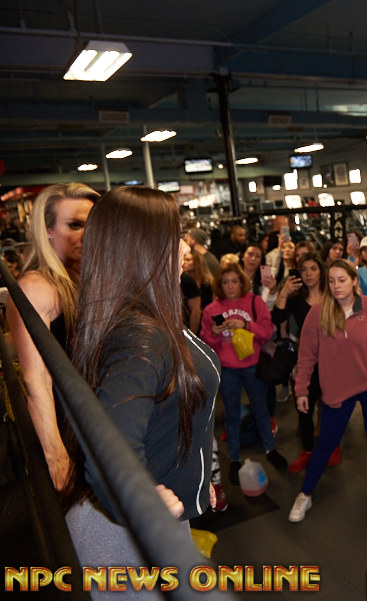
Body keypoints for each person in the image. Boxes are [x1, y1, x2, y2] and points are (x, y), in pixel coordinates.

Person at [64, 186, 220, 581]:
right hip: (128, 543)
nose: (185, 246)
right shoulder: (142, 335)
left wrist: (195, 476)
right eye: (175, 235)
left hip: (155, 523)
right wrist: (142, 503)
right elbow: (108, 452)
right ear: (144, 249)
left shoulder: (150, 317)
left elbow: (167, 408)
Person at [288, 259, 367, 522]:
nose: (336, 286)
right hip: (337, 389)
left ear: (355, 281)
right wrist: (301, 389)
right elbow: (306, 354)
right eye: (332, 281)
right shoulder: (318, 313)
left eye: (342, 280)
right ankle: (305, 494)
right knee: (326, 443)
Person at [7, 182, 98, 492]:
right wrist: (57, 458)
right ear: (47, 232)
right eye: (74, 225)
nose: (87, 234)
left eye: (91, 224)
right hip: (74, 432)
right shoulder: (37, 287)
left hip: (104, 422)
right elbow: (37, 381)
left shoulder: (86, 277)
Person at [200, 263, 287, 483]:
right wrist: (214, 333)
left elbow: (267, 332)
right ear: (219, 285)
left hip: (253, 366)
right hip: (228, 369)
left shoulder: (255, 302)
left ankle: (270, 448)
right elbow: (206, 344)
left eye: (234, 281)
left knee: (261, 409)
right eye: (225, 282)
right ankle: (235, 459)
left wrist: (246, 325)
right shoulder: (211, 309)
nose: (230, 286)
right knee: (231, 415)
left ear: (241, 283)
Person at [270, 254, 329, 472]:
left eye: (313, 268)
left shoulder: (332, 295)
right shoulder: (296, 299)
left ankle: (332, 446)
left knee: (331, 406)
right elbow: (277, 318)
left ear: (321, 271)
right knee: (304, 407)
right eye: (304, 270)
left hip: (333, 360)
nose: (308, 274)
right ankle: (307, 450)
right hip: (307, 360)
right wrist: (284, 291)